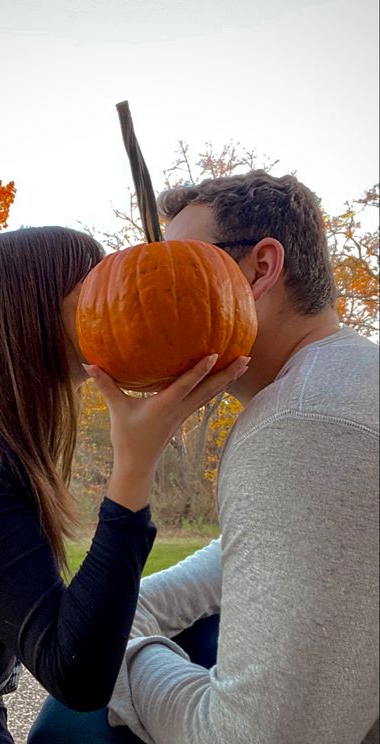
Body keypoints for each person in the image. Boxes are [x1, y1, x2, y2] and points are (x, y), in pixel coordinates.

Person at [28, 173, 379, 744]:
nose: (157, 293)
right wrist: (125, 615)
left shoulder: (302, 425)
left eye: (181, 267)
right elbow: (245, 556)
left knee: (74, 721)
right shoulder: (344, 381)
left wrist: (125, 654)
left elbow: (251, 738)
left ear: (261, 269)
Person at [0, 226, 249, 744]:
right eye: (93, 290)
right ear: (31, 309)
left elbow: (54, 622)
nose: (116, 303)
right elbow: (77, 674)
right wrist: (135, 462)